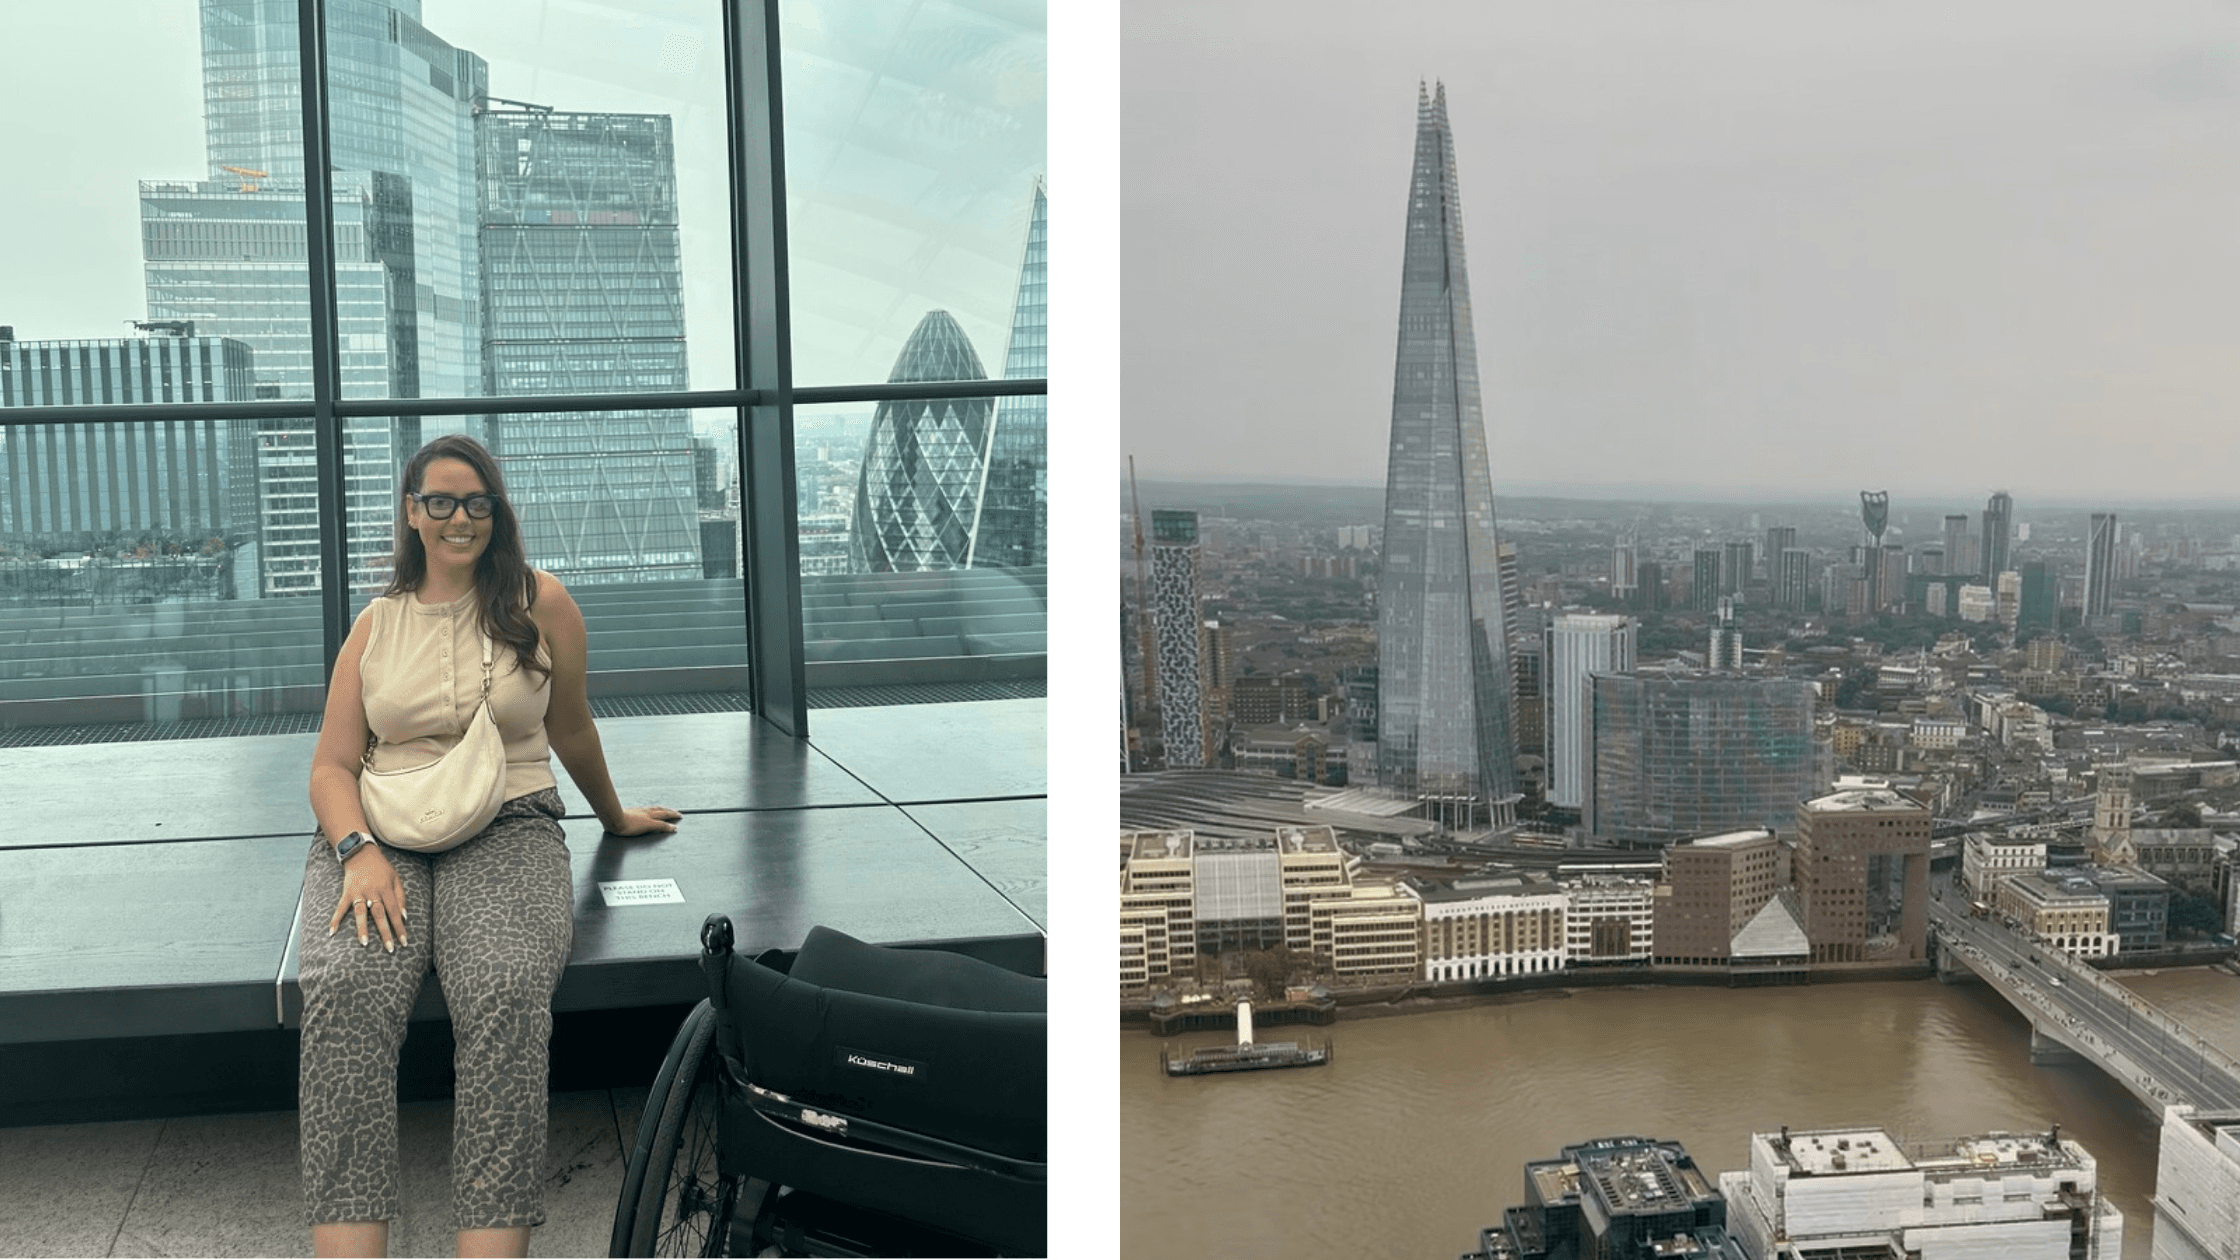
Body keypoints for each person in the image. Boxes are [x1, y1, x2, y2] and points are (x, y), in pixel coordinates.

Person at [301, 434, 682, 1258]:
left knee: (506, 988)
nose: (459, 518)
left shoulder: (541, 603)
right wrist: (357, 851)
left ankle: (491, 1245)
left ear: (497, 512)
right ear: (411, 513)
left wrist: (614, 816)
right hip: (383, 829)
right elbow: (331, 767)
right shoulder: (376, 624)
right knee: (347, 988)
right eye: (439, 501)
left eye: (477, 502)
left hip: (510, 818)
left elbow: (571, 727)